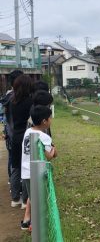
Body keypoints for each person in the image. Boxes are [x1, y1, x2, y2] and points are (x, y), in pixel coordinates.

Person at [21, 105, 57, 230]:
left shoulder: (28, 131)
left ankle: (31, 223)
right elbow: (48, 156)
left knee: (33, 196)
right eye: (50, 118)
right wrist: (53, 151)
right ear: (44, 121)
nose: (51, 120)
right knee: (39, 200)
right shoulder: (44, 137)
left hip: (25, 172)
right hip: (37, 173)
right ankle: (35, 227)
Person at [10, 74, 33, 208]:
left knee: (16, 167)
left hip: (15, 136)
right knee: (26, 168)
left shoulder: (13, 101)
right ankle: (25, 200)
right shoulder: (30, 102)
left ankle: (15, 199)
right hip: (26, 136)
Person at [1, 70, 24, 184]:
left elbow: (5, 116)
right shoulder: (15, 97)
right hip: (15, 132)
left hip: (9, 131)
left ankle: (12, 181)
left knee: (12, 157)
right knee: (15, 158)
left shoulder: (7, 96)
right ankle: (15, 182)